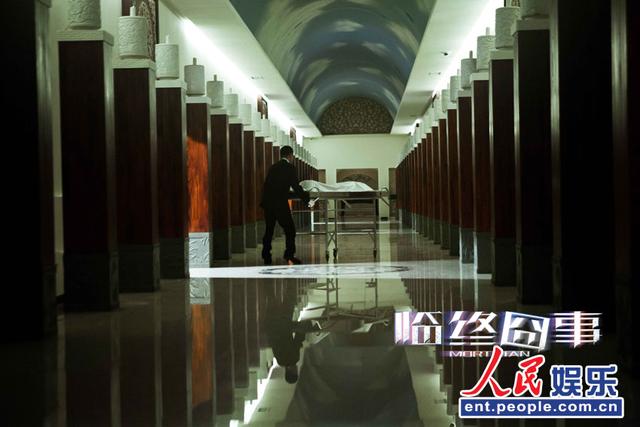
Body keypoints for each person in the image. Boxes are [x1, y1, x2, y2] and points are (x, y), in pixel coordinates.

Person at [260, 145, 310, 265]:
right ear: (290, 155)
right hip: (280, 204)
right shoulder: (290, 168)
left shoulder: (273, 167)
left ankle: (266, 256)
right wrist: (306, 199)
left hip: (268, 203)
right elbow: (295, 186)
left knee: (269, 230)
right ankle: (289, 255)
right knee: (290, 229)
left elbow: (268, 185)